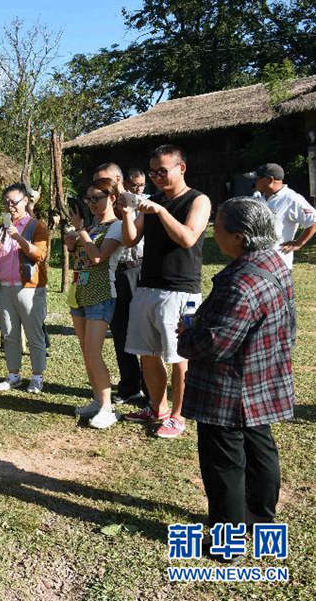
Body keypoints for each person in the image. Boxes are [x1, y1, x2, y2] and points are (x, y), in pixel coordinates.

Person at [177, 198, 295, 561]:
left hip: (229, 389)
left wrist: (187, 336)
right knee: (260, 451)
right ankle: (260, 520)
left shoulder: (240, 283)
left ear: (240, 237)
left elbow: (215, 343)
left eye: (219, 227)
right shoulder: (275, 262)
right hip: (263, 377)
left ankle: (227, 541)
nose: (213, 233)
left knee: (224, 463)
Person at [120, 145, 211, 439]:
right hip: (147, 287)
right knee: (147, 354)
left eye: (163, 170)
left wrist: (159, 211)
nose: (157, 177)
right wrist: (126, 213)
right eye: (153, 172)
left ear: (181, 168)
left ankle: (178, 415)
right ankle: (156, 409)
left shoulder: (198, 200)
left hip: (180, 290)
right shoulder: (152, 200)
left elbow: (188, 237)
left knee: (178, 357)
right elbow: (132, 240)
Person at [0, 183, 49, 394]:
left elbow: (39, 254)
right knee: (9, 334)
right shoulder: (0, 228)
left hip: (29, 290)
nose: (9, 206)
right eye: (6, 202)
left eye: (13, 202)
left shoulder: (37, 226)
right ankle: (14, 375)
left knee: (34, 335)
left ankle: (37, 377)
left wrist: (18, 238)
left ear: (25, 201)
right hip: (4, 289)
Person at [66, 179, 125, 429]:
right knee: (86, 353)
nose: (91, 203)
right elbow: (79, 254)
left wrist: (79, 231)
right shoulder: (91, 227)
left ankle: (108, 408)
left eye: (96, 198)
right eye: (88, 199)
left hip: (101, 295)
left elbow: (98, 257)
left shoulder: (117, 226)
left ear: (112, 197)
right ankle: (97, 400)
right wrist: (71, 243)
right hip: (79, 292)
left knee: (93, 353)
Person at [94, 163, 146, 406]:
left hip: (137, 269)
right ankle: (129, 387)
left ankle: (151, 390)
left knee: (143, 333)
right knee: (120, 332)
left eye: (103, 181)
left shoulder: (138, 202)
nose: (99, 186)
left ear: (118, 178)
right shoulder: (102, 205)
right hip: (114, 273)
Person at [251, 162, 316, 269]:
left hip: (278, 266)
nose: (254, 182)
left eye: (257, 178)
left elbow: (313, 221)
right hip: (256, 263)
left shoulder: (292, 199)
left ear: (269, 180)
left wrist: (299, 243)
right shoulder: (259, 198)